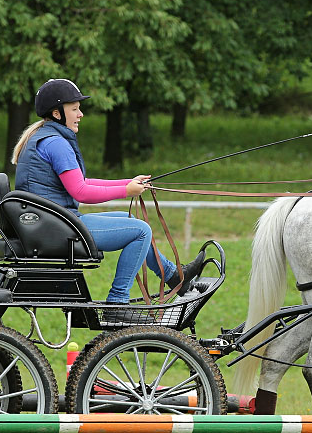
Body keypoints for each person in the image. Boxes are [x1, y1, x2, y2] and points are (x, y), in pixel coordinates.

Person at [12, 78, 203, 305]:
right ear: (56, 114)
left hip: (53, 223)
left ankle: (172, 276)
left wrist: (128, 183)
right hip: (59, 228)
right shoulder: (56, 143)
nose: (80, 114)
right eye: (74, 109)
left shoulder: (45, 138)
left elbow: (81, 181)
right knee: (140, 230)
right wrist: (126, 191)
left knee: (129, 220)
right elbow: (81, 192)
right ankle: (118, 299)